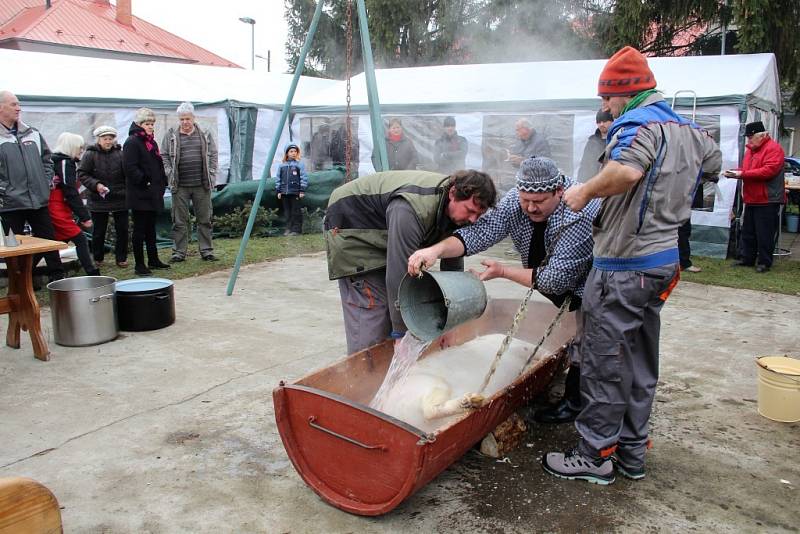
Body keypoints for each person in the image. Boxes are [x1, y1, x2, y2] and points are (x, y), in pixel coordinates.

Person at [552, 46, 721, 485]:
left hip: (625, 263)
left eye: (606, 98)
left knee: (605, 358)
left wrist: (586, 191)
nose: (604, 106)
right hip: (664, 261)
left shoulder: (635, 122)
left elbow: (626, 172)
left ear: (622, 93)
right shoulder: (689, 127)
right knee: (641, 357)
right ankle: (631, 452)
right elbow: (714, 168)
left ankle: (594, 455)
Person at [408, 157, 600, 424]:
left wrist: (503, 271)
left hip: (596, 280)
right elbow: (480, 233)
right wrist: (435, 249)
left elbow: (556, 281)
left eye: (539, 202)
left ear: (559, 191)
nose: (530, 207)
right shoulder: (516, 201)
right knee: (585, 336)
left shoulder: (578, 212)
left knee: (592, 334)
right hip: (551, 273)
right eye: (525, 200)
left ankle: (578, 406)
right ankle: (576, 399)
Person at [324, 169, 497, 354]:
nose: (472, 220)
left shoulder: (456, 213)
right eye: (470, 211)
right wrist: (401, 334)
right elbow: (399, 270)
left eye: (478, 215)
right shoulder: (411, 209)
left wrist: (450, 324)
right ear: (453, 193)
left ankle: (389, 366)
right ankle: (362, 374)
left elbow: (452, 268)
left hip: (385, 228)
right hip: (351, 224)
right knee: (375, 313)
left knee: (414, 303)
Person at [0, 90, 65, 281]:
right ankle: (21, 283)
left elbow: (48, 160)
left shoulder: (32, 133)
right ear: (1, 107)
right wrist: (4, 190)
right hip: (11, 204)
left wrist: (45, 183)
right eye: (13, 104)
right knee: (16, 247)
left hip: (38, 199)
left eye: (18, 104)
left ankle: (58, 279)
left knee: (49, 240)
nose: (19, 108)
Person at [724, 121, 786, 273]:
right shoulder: (750, 150)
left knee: (764, 232)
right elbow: (747, 170)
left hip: (767, 198)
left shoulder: (774, 149)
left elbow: (767, 171)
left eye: (751, 137)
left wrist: (742, 174)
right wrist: (734, 172)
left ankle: (765, 262)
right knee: (748, 231)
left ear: (761, 135)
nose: (748, 140)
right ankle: (747, 258)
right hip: (752, 197)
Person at [161, 102, 218, 263]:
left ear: (194, 118)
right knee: (179, 220)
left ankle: (206, 250)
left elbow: (213, 154)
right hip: (180, 185)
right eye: (182, 119)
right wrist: (169, 172)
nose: (185, 122)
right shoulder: (171, 134)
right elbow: (164, 154)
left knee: (205, 219)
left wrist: (212, 173)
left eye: (187, 118)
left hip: (202, 184)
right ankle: (179, 252)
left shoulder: (205, 134)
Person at [123, 107, 170, 276]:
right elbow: (130, 167)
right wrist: (145, 181)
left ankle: (153, 259)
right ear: (139, 124)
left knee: (151, 229)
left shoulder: (151, 142)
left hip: (153, 193)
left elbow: (157, 164)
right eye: (147, 124)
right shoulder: (132, 142)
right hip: (140, 194)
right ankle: (139, 264)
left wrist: (162, 181)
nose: (150, 127)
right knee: (140, 230)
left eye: (152, 124)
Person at [49, 132, 100, 277]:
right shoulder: (65, 163)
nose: (81, 151)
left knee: (54, 241)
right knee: (79, 238)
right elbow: (70, 191)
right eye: (80, 148)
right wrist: (84, 216)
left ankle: (27, 272)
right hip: (56, 205)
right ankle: (91, 271)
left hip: (58, 204)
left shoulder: (57, 161)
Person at [78, 125, 129, 268]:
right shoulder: (90, 154)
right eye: (105, 139)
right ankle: (98, 257)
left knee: (122, 230)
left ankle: (121, 257)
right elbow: (82, 174)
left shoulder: (120, 154)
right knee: (99, 231)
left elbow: (127, 173)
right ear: (99, 140)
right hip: (98, 199)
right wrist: (96, 185)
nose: (108, 141)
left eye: (110, 139)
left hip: (119, 197)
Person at [275, 142, 308, 236]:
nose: (293, 153)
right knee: (287, 212)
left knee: (296, 211)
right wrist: (278, 190)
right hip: (284, 193)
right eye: (291, 151)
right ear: (287, 153)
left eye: (295, 151)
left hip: (295, 193)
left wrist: (302, 190)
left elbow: (304, 178)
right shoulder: (282, 166)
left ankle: (296, 230)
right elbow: (278, 178)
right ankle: (288, 229)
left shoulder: (299, 165)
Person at [577, 110, 614, 183]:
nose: (601, 124)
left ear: (612, 121)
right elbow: (584, 165)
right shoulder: (592, 141)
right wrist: (580, 183)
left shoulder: (616, 140)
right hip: (591, 182)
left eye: (605, 121)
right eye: (599, 122)